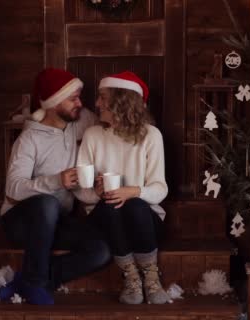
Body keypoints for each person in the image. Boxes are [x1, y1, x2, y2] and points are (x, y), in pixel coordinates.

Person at [0, 68, 110, 305]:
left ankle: (29, 279)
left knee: (101, 250)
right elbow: (13, 189)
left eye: (79, 96)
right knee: (47, 203)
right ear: (53, 103)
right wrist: (55, 181)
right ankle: (36, 282)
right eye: (73, 98)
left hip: (56, 220)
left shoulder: (78, 123)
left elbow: (107, 123)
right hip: (20, 222)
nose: (80, 103)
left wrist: (96, 194)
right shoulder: (29, 140)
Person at [74, 71, 170, 305]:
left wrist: (133, 191)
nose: (96, 103)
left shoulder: (151, 135)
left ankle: (151, 277)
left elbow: (160, 189)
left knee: (135, 205)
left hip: (144, 220)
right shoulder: (92, 135)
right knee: (110, 206)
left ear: (121, 101)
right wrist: (95, 193)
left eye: (102, 97)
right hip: (105, 218)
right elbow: (80, 190)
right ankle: (131, 277)